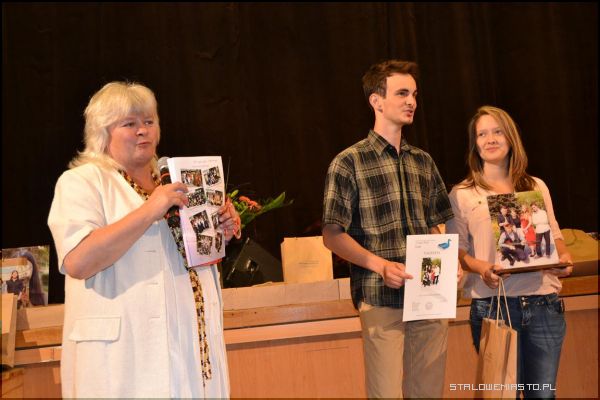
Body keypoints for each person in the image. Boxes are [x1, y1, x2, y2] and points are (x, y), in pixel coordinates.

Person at [47, 81, 240, 398]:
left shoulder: (176, 182)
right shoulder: (81, 182)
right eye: (129, 123)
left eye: (149, 121)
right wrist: (151, 209)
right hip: (123, 360)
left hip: (190, 349)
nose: (143, 130)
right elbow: (78, 261)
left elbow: (187, 255)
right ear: (102, 132)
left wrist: (219, 230)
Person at [322, 59, 459, 398]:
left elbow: (438, 224)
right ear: (376, 100)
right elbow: (332, 235)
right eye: (402, 93)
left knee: (428, 393)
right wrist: (380, 265)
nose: (411, 101)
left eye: (414, 94)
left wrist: (450, 261)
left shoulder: (423, 161)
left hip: (428, 296)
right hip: (380, 298)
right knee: (385, 395)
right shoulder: (349, 162)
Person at [446, 105, 573, 398]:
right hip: (493, 307)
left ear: (511, 137)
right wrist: (481, 268)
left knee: (542, 395)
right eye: (482, 134)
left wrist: (563, 260)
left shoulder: (536, 186)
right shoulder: (462, 194)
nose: (490, 139)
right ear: (474, 143)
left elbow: (554, 236)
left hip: (543, 303)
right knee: (502, 395)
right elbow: (456, 251)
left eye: (497, 132)